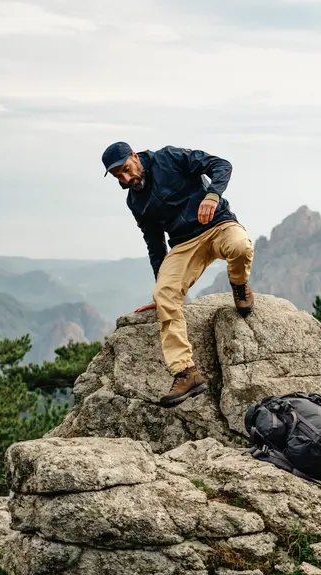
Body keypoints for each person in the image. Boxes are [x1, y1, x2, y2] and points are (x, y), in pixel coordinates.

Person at [102, 141, 255, 408]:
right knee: (164, 294)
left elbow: (221, 165)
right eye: (119, 177)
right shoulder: (135, 200)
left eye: (126, 169)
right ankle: (186, 372)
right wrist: (162, 288)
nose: (126, 179)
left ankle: (239, 285)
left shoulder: (169, 158)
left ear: (135, 157)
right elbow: (154, 243)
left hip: (218, 224)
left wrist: (212, 195)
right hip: (185, 245)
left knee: (240, 245)